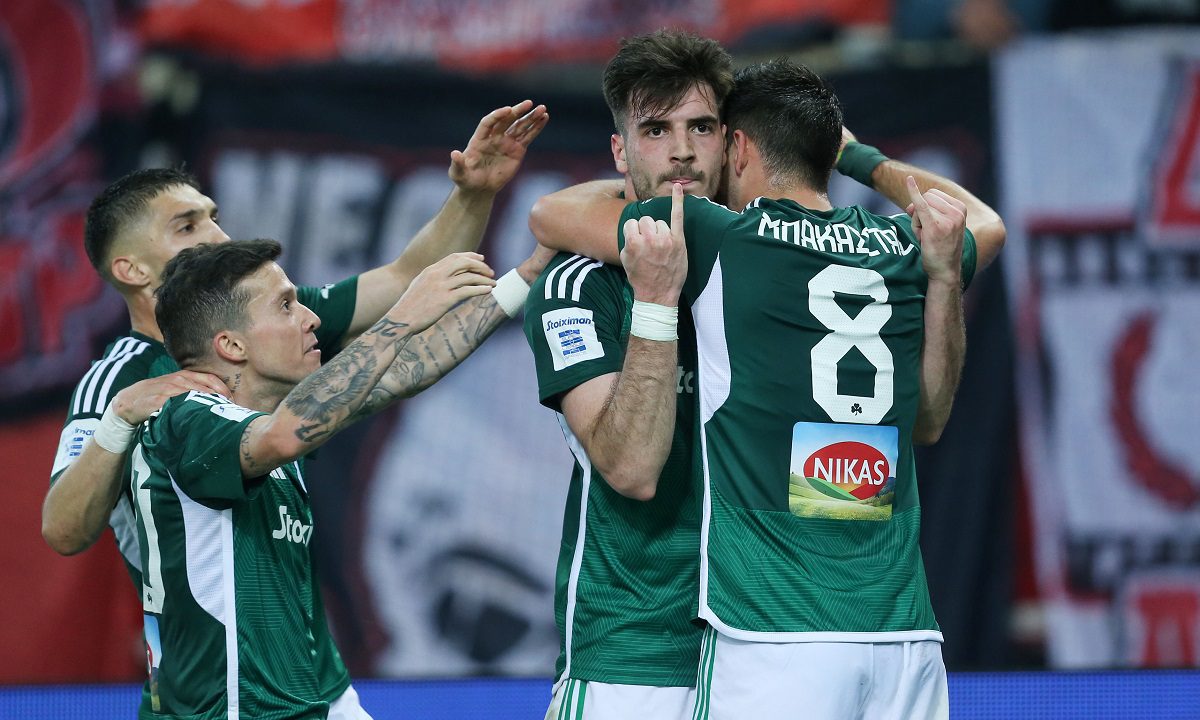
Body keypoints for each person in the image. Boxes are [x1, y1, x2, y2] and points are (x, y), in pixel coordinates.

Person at [42, 100, 546, 711]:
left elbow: (402, 312)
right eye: (188, 226)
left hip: (311, 684)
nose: (217, 235)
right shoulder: (136, 388)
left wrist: (487, 214)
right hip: (218, 682)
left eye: (214, 217)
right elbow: (63, 529)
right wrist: (120, 419)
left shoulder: (269, 340)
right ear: (130, 268)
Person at [609, 59, 1006, 719]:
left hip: (774, 633)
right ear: (827, 154)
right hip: (904, 637)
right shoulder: (899, 246)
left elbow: (551, 215)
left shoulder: (718, 236)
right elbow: (984, 224)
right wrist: (862, 157)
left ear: (738, 148)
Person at [132, 235, 542, 719]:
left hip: (310, 699)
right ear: (231, 345)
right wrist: (403, 315)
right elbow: (287, 434)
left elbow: (409, 369)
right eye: (286, 306)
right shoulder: (187, 420)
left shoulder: (268, 420)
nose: (311, 319)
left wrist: (528, 275)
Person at [521, 30, 733, 720]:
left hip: (763, 649)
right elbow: (633, 468)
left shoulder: (769, 267)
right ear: (620, 152)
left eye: (701, 127)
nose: (681, 150)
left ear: (731, 143)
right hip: (633, 659)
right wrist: (657, 300)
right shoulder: (578, 285)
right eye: (656, 130)